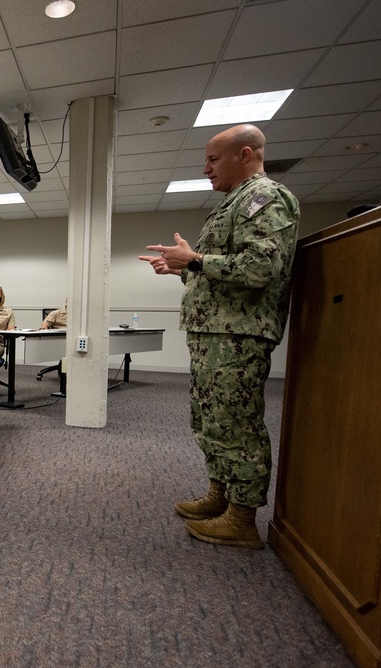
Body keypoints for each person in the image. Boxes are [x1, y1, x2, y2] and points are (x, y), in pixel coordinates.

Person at [139, 123, 299, 550]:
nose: (205, 168)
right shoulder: (233, 203)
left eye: (212, 159)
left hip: (237, 339)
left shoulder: (265, 199)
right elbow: (219, 279)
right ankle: (220, 497)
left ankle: (242, 519)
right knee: (211, 420)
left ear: (244, 154)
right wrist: (185, 269)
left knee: (236, 424)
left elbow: (260, 269)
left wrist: (195, 261)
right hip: (216, 334)